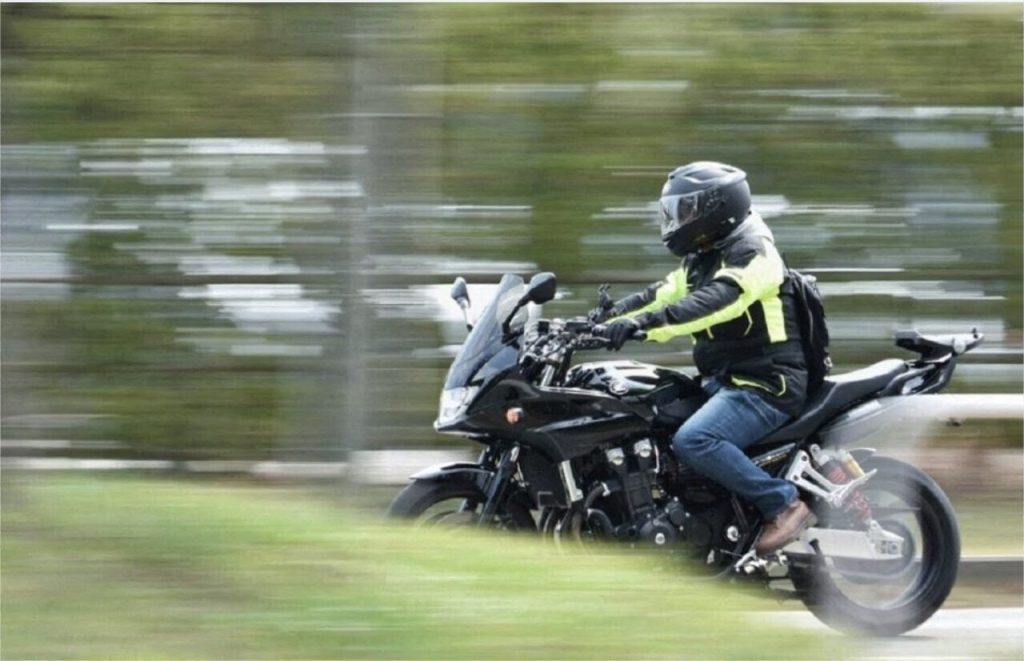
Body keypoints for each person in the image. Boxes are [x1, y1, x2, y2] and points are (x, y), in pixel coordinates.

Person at [590, 161, 814, 554]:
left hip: (765, 385)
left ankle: (784, 504)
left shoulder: (753, 253)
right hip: (725, 381)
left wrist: (642, 324)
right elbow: (660, 296)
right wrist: (595, 323)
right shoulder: (703, 258)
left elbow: (715, 303)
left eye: (687, 210)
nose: (680, 220)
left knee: (695, 439)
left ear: (717, 209)